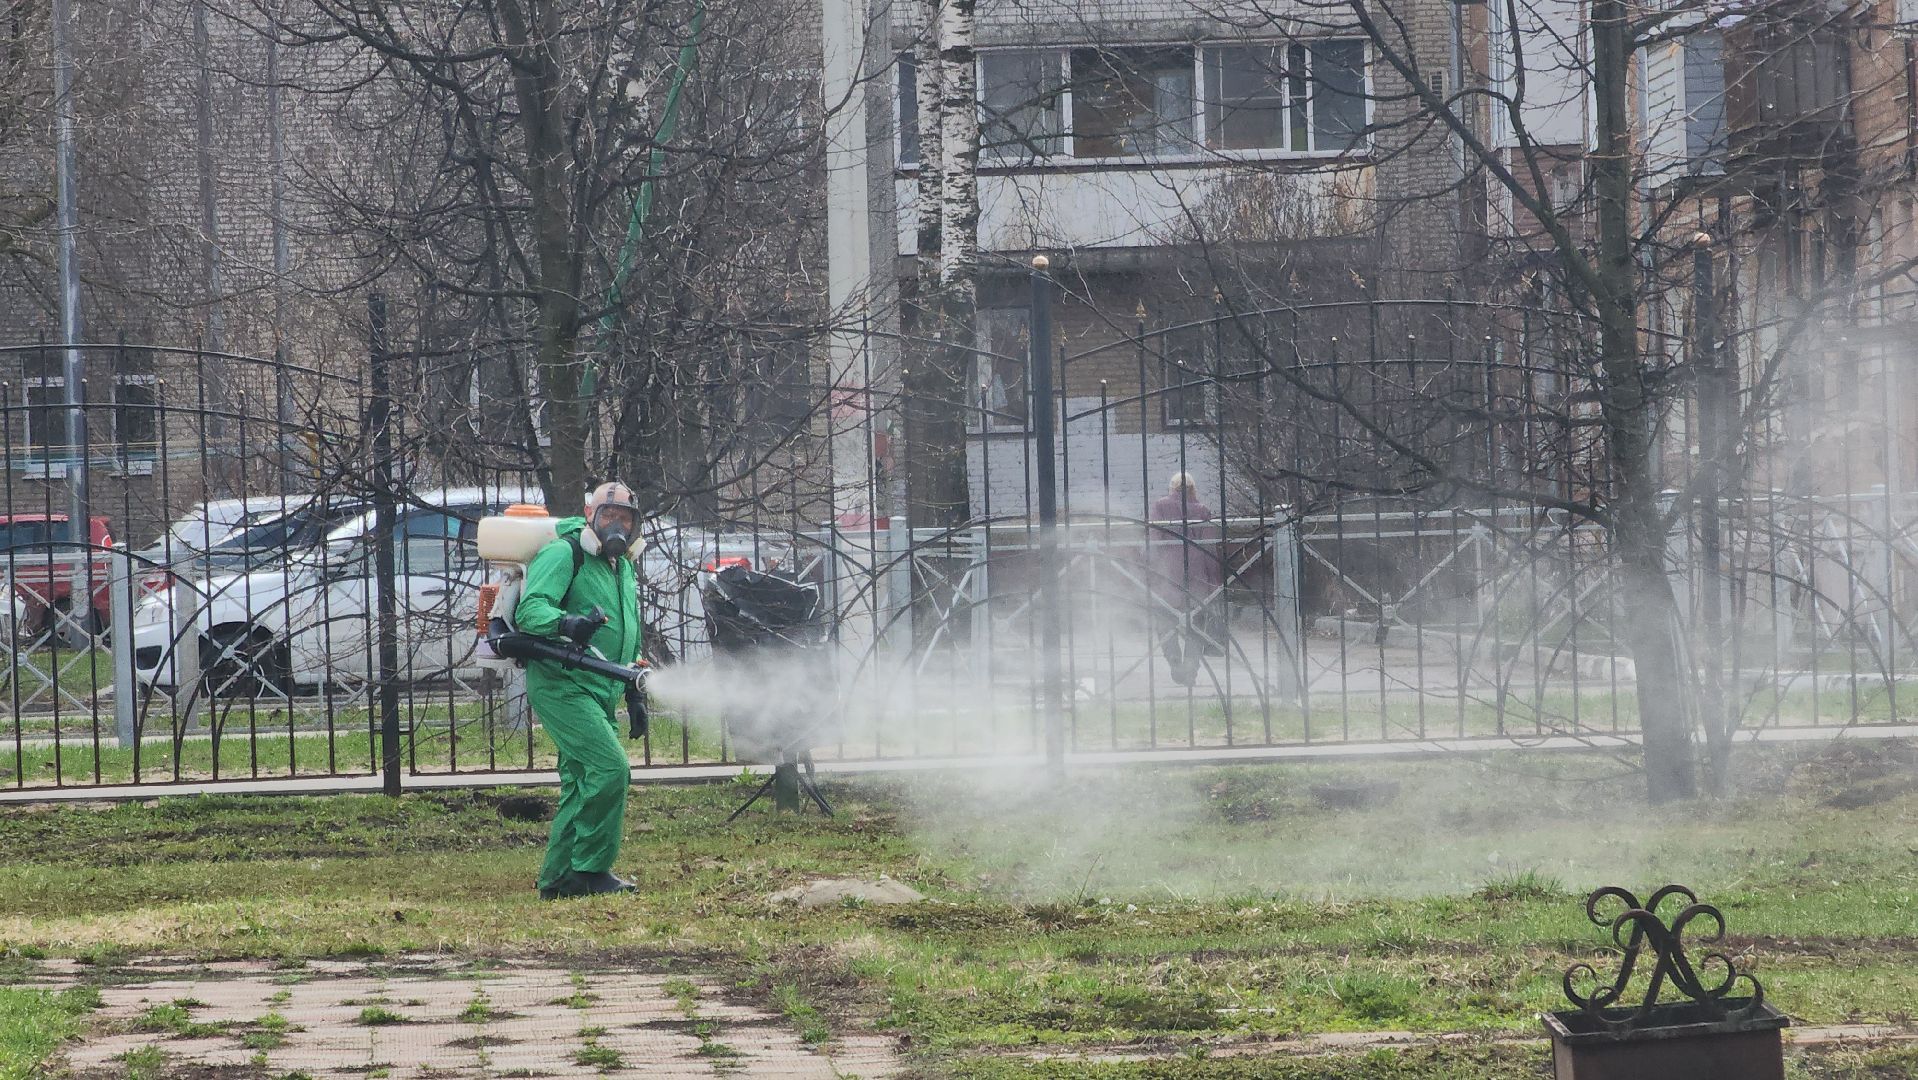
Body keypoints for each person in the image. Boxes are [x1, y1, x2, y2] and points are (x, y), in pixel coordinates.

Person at [514, 481, 646, 900]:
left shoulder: (621, 566)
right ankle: (590, 870)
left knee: (580, 779)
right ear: (590, 515)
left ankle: (557, 880)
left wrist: (633, 690)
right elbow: (530, 609)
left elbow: (630, 633)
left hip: (600, 686)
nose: (617, 526)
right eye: (609, 517)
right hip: (562, 682)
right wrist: (568, 623)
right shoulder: (564, 553)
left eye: (625, 519)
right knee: (610, 769)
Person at [1147, 473, 1224, 686]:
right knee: (1197, 622)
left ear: (1172, 488)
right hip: (1197, 571)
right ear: (1193, 488)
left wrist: (1151, 571)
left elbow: (1154, 541)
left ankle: (1174, 660)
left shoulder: (1159, 507)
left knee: (1164, 619)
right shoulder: (1202, 510)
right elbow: (1210, 546)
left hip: (1168, 570)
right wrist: (1214, 580)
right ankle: (1190, 666)